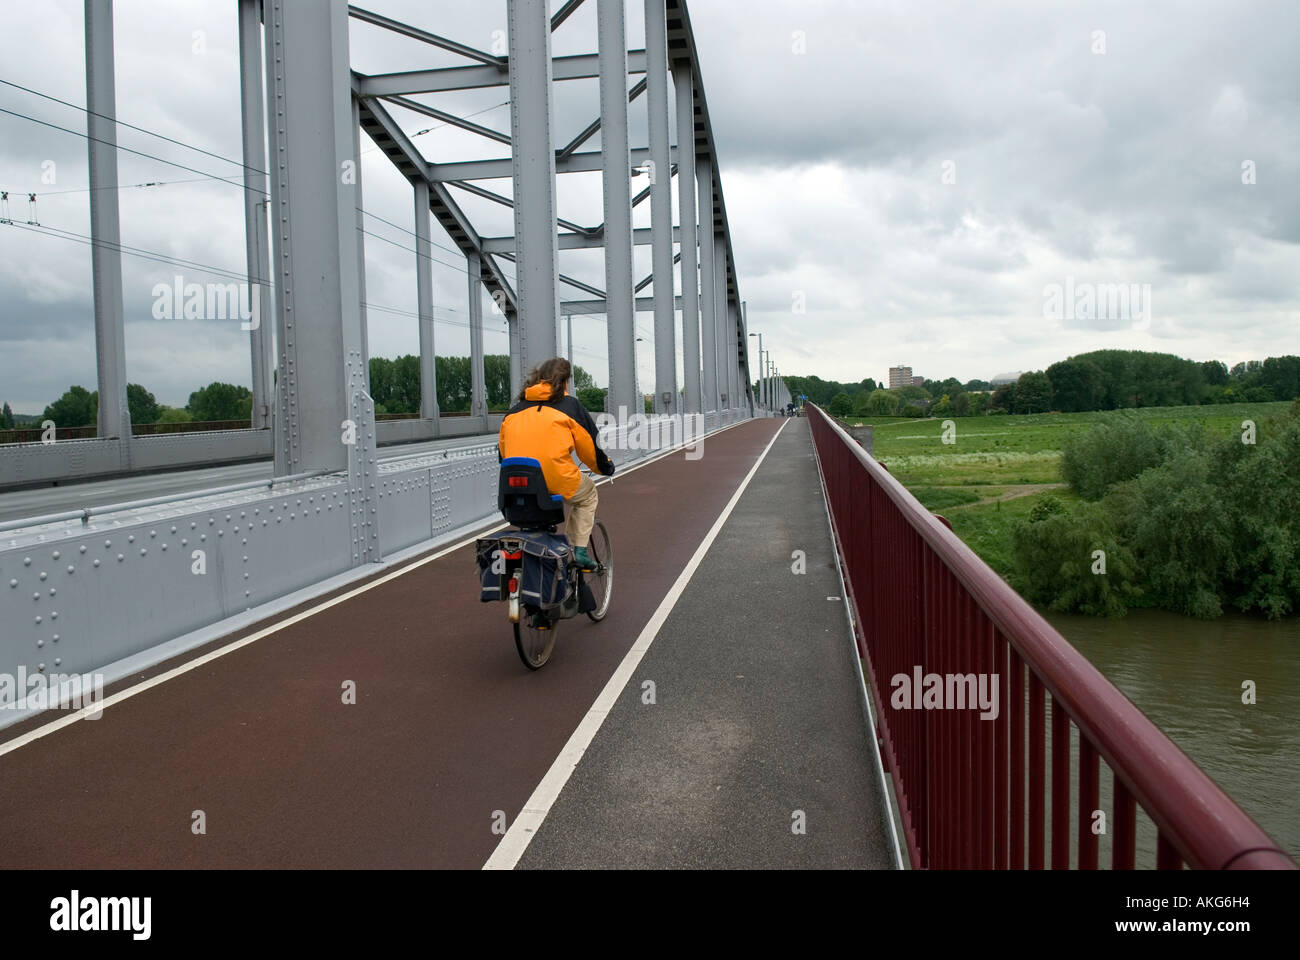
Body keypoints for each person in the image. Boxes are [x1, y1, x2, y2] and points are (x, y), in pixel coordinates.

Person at [498, 357, 615, 569]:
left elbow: (502, 453)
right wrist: (605, 467)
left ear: (538, 378)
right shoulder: (569, 406)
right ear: (565, 382)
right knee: (588, 495)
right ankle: (577, 550)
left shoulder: (514, 410)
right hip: (555, 478)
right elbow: (590, 446)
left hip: (514, 481)